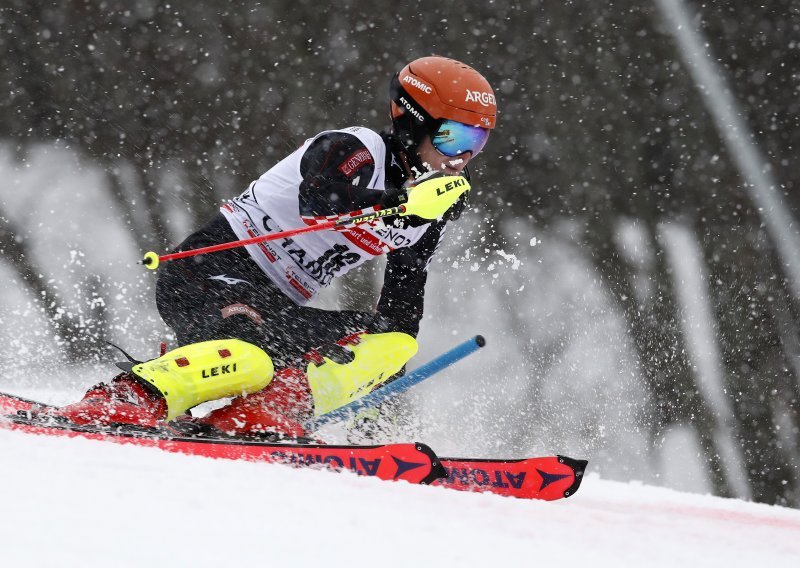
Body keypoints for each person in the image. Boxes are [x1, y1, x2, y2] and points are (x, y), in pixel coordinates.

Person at [55, 55, 497, 438]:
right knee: (251, 355)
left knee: (393, 341)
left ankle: (267, 409)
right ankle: (132, 394)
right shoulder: (355, 147)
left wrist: (374, 404)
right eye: (452, 138)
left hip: (274, 307)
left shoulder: (429, 211)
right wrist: (399, 203)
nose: (461, 158)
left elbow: (402, 310)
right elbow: (320, 199)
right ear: (411, 120)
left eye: (476, 143)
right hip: (209, 273)